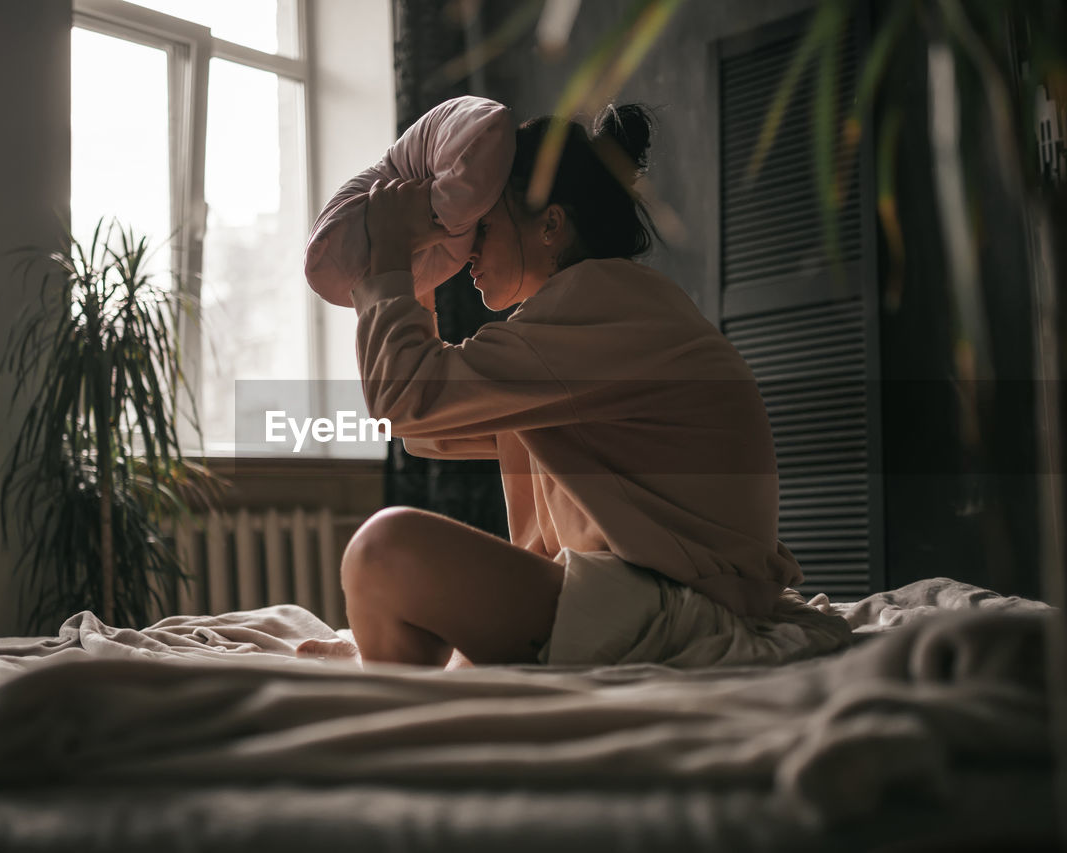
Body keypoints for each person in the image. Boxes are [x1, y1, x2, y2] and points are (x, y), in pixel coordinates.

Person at [296, 103, 849, 668]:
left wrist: (389, 253)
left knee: (383, 551)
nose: (469, 253)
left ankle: (400, 702)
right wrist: (415, 267)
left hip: (688, 610)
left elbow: (408, 406)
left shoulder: (599, 306)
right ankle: (400, 685)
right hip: (663, 597)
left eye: (483, 226)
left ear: (551, 225)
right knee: (391, 567)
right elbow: (428, 432)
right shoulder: (593, 314)